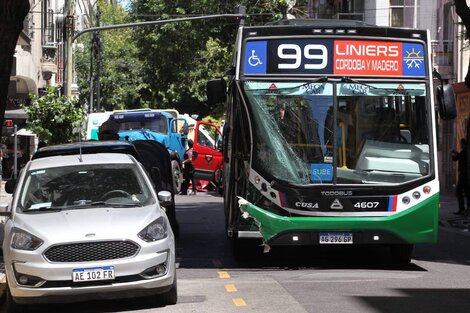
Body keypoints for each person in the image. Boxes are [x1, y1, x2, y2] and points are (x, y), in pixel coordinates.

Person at [452, 138, 469, 215]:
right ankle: (463, 209)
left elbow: (457, 158)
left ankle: (463, 209)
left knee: (460, 191)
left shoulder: (465, 152)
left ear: (464, 144)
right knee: (464, 191)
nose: (460, 145)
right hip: (463, 174)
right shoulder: (463, 152)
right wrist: (455, 154)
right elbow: (457, 158)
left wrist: (454, 154)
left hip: (464, 175)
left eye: (461, 143)